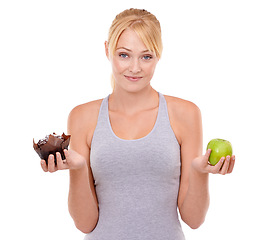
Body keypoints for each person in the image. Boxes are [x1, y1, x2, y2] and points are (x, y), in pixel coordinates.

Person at [40, 8, 235, 240]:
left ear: (158, 56)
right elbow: (85, 224)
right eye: (124, 55)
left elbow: (193, 220)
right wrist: (78, 168)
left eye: (146, 56)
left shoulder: (186, 114)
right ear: (107, 50)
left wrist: (199, 172)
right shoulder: (82, 116)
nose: (134, 68)